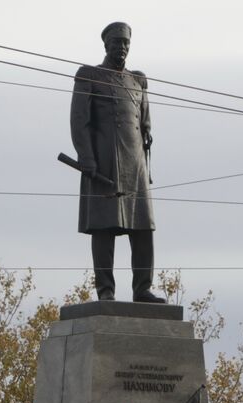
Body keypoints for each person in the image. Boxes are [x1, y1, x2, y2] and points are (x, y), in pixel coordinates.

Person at [68, 21, 164, 304]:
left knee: (144, 228)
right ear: (106, 45)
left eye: (125, 43)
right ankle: (106, 291)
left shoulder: (138, 80)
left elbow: (145, 124)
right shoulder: (89, 75)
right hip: (103, 162)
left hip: (135, 165)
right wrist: (86, 156)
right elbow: (79, 120)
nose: (121, 48)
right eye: (116, 43)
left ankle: (142, 289)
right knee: (103, 228)